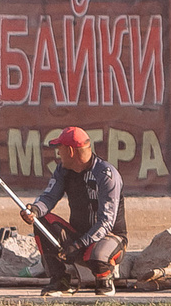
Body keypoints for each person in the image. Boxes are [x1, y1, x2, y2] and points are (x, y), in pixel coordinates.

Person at [25, 125, 127, 295]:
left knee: (98, 255)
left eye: (60, 149)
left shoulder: (106, 175)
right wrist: (34, 210)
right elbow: (49, 197)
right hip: (77, 236)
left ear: (71, 151)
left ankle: (104, 280)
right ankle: (60, 281)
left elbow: (106, 222)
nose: (58, 153)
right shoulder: (62, 170)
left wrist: (78, 245)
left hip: (110, 237)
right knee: (41, 221)